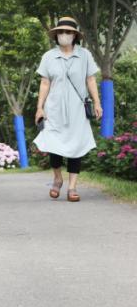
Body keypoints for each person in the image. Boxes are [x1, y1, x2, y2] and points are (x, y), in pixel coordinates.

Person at [33, 16, 102, 202]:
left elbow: (90, 79)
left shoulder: (85, 55)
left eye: (68, 32)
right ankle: (57, 178)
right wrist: (40, 108)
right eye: (61, 32)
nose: (64, 35)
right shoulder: (48, 56)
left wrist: (97, 103)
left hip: (77, 109)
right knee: (53, 145)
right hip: (53, 109)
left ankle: (72, 187)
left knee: (76, 146)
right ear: (56, 35)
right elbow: (45, 83)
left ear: (75, 35)